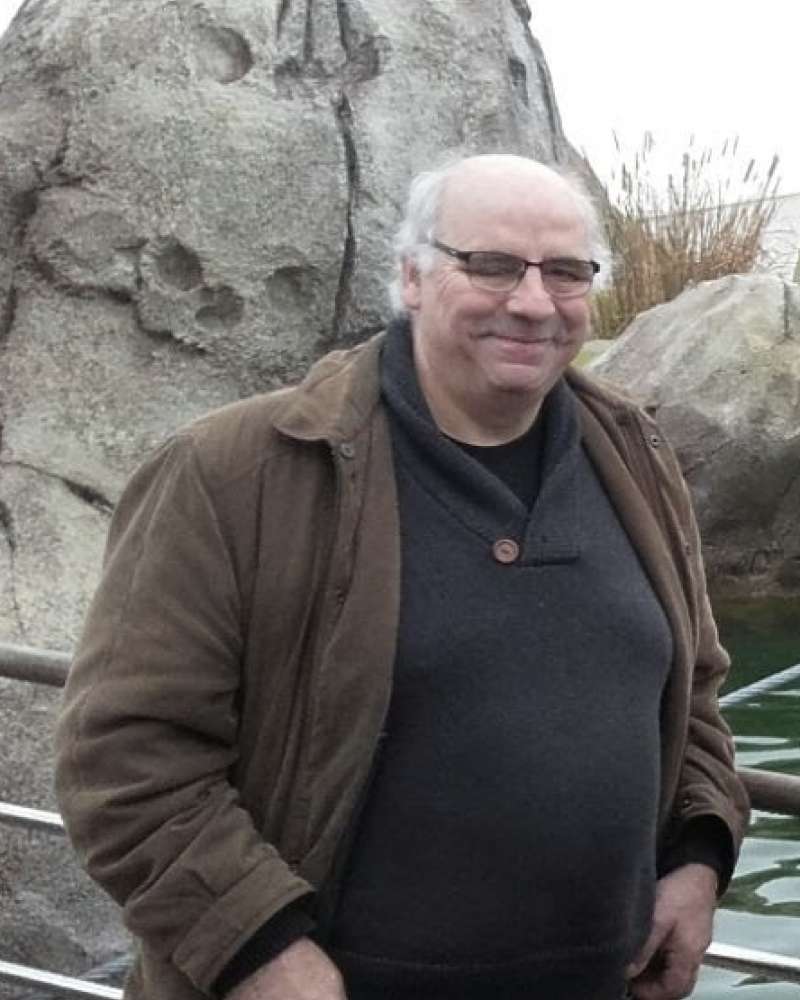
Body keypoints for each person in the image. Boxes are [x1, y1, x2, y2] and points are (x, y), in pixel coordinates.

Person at [55, 153, 748, 1000]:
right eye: (491, 264)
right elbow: (124, 759)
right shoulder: (235, 472)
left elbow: (695, 692)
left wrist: (700, 857)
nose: (534, 302)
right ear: (412, 276)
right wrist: (259, 951)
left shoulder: (636, 455)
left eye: (566, 272)